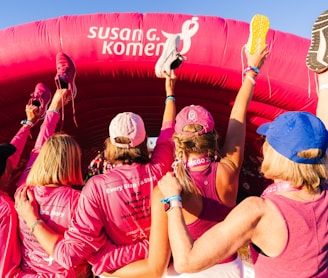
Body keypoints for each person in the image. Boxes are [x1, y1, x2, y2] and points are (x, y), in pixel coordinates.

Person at [156, 10, 328, 278]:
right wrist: (251, 71)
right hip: (229, 270)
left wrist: (170, 92)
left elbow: (184, 260)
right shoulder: (228, 169)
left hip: (188, 267)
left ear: (178, 142)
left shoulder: (171, 182)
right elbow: (238, 117)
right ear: (213, 137)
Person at [15, 65, 177, 277]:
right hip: (162, 265)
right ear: (144, 142)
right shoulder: (158, 170)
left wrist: (32, 219)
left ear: (109, 143)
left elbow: (77, 255)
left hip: (121, 270)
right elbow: (167, 133)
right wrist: (170, 93)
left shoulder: (91, 189)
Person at [0, 100, 41, 278]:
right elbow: (6, 271)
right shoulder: (5, 210)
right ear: (4, 174)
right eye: (9, 164)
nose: (13, 163)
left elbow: (13, 153)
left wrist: (28, 123)